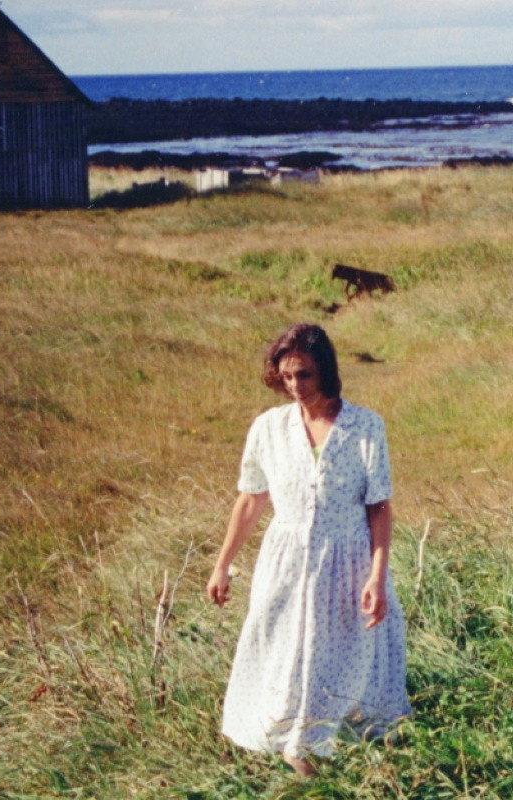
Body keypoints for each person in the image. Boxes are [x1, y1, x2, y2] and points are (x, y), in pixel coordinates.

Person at [206, 323, 409, 776]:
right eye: (287, 376)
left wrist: (376, 575)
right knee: (283, 653)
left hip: (349, 562)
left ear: (327, 372)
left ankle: (348, 761)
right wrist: (222, 565)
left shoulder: (364, 426)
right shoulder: (269, 427)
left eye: (305, 375)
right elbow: (250, 499)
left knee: (345, 659)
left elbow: (379, 507)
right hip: (286, 561)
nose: (295, 386)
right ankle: (298, 752)